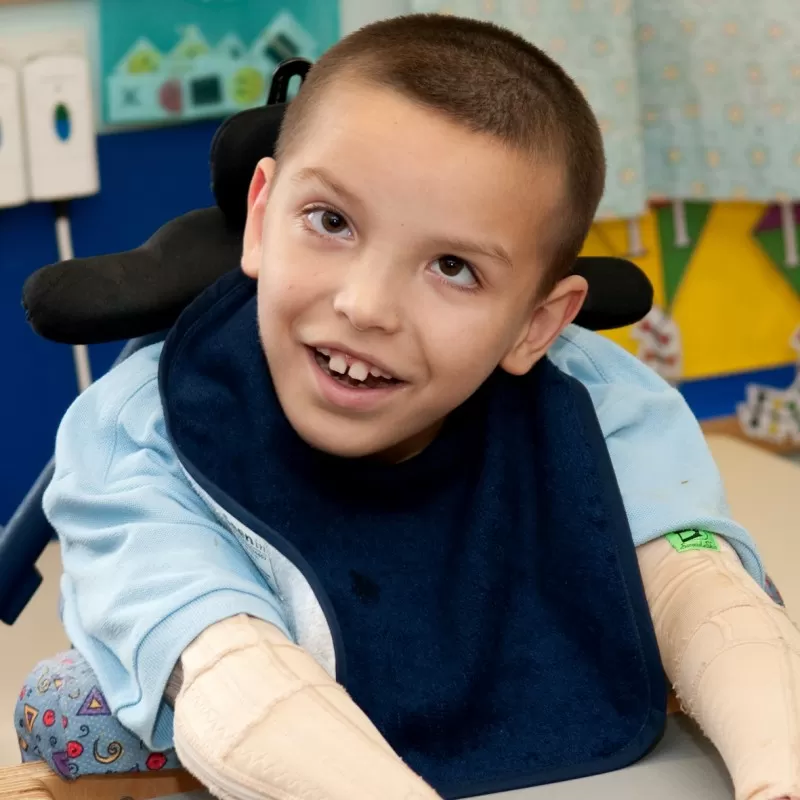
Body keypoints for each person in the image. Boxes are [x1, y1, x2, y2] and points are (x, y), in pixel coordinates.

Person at [25, 14, 798, 800]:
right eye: (331, 222)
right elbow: (229, 672)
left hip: (513, 650)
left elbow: (700, 593)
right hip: (272, 677)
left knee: (746, 609)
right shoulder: (144, 431)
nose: (366, 306)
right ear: (261, 216)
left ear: (537, 324)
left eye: (455, 267)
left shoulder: (597, 400)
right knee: (76, 705)